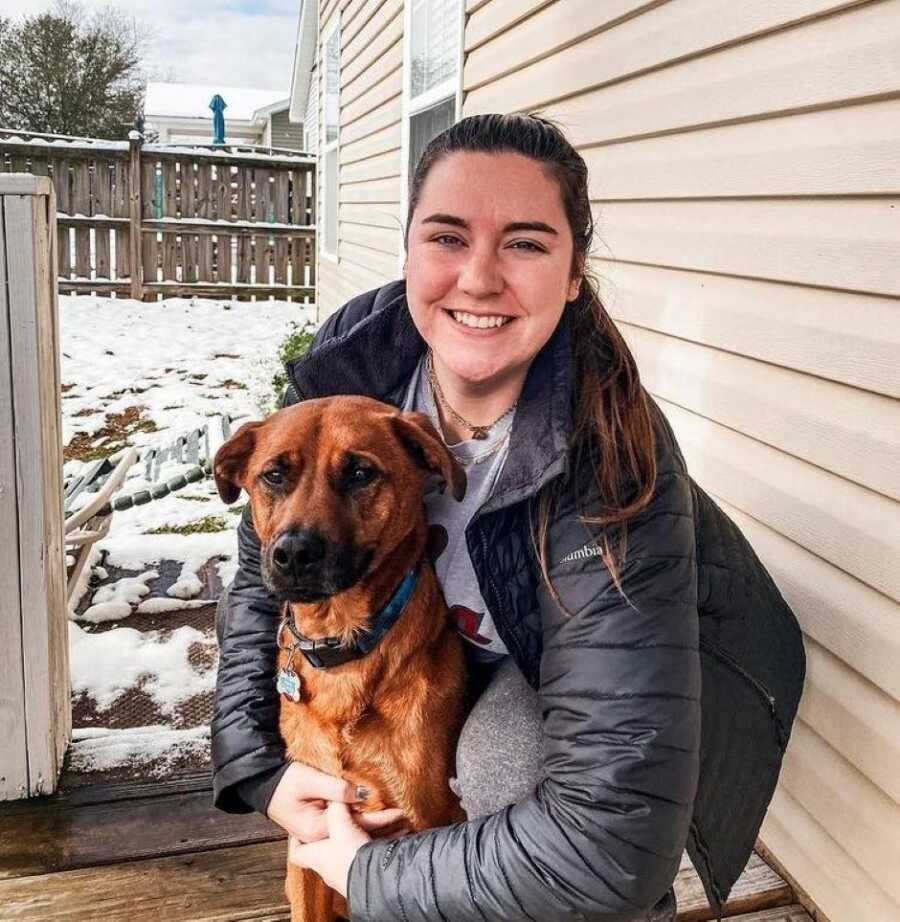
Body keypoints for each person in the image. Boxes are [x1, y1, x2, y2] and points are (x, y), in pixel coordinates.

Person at [212, 113, 806, 922]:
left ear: (573, 272)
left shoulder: (615, 463)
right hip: (450, 641)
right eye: (448, 237)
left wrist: (375, 877)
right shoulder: (355, 362)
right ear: (411, 250)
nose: (479, 278)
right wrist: (260, 769)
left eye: (525, 243)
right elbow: (267, 572)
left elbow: (612, 840)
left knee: (507, 787)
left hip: (625, 666)